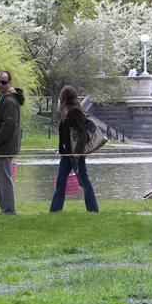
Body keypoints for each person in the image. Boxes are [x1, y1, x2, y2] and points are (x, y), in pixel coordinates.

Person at [50, 85, 99, 213]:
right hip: (67, 154)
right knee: (61, 182)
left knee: (83, 181)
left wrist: (77, 153)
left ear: (65, 97)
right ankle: (55, 211)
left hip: (74, 154)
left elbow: (83, 133)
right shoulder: (67, 111)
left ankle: (93, 209)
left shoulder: (74, 111)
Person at [0, 70, 24, 215]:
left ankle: (9, 210)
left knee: (3, 178)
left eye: (4, 82)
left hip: (3, 147)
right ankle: (6, 208)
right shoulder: (3, 98)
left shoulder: (8, 100)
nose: (0, 85)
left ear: (10, 83)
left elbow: (9, 124)